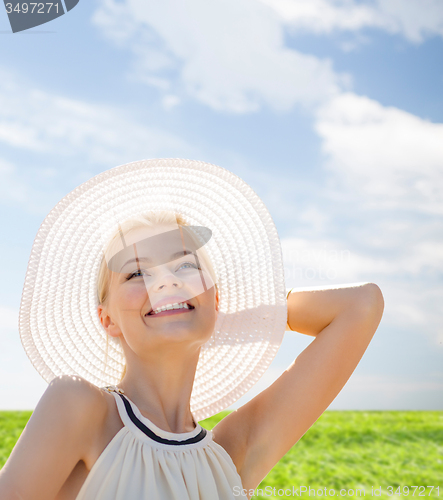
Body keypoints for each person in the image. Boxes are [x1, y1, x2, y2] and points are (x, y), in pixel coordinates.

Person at [0, 158, 384, 500]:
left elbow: (361, 305)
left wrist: (219, 315)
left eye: (184, 266)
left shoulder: (233, 455)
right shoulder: (79, 407)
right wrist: (185, 308)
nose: (165, 282)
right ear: (107, 319)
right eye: (137, 273)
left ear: (216, 300)